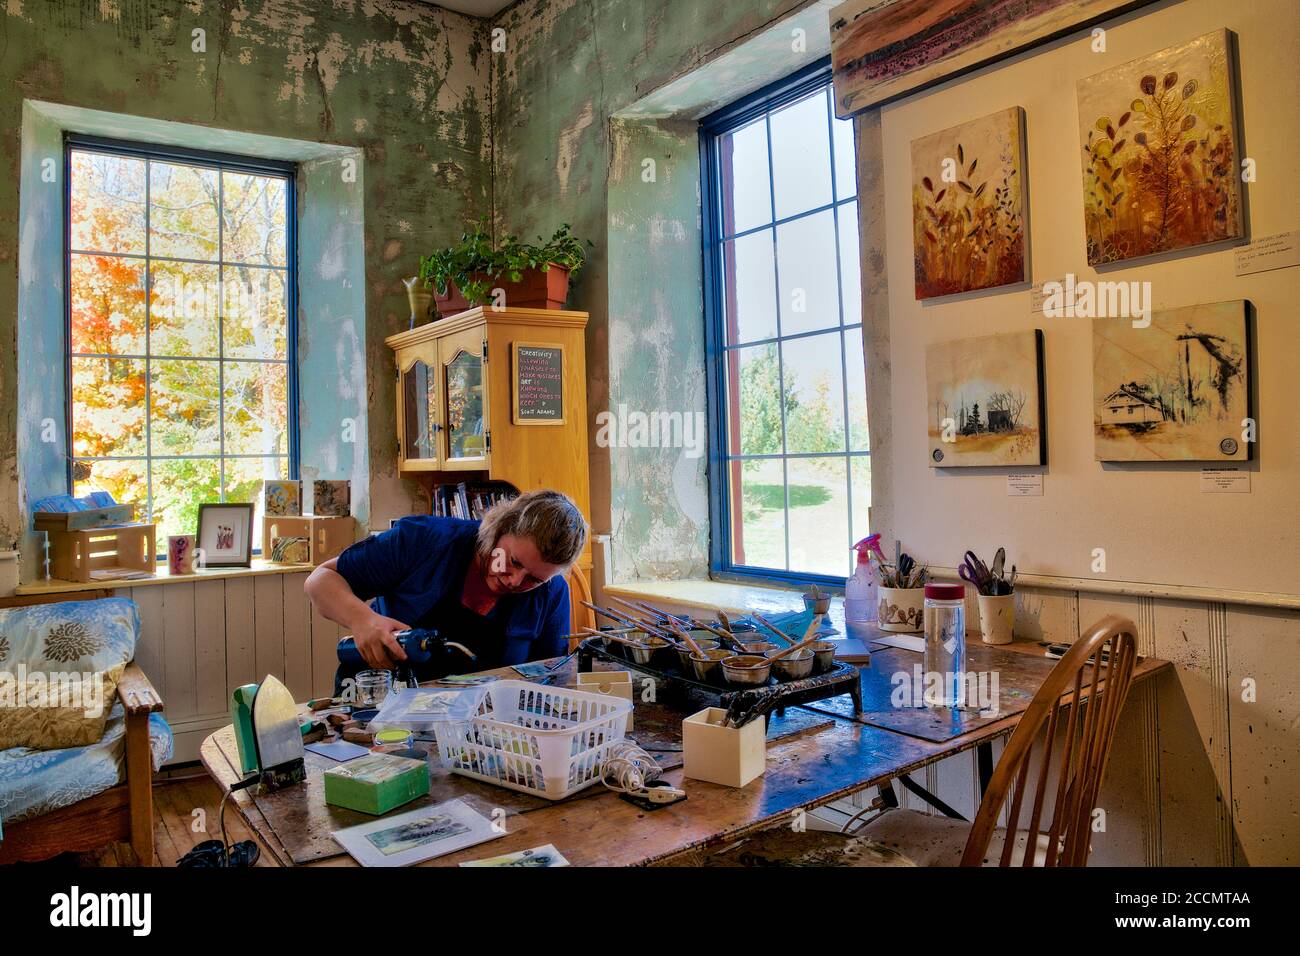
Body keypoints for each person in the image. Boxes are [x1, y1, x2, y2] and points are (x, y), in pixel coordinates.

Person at [306, 489, 587, 685]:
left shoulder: (551, 594)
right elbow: (320, 580)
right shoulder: (424, 540)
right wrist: (362, 620)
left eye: (533, 580)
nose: (514, 580)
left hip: (471, 732)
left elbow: (548, 679)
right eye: (513, 561)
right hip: (375, 704)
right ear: (501, 527)